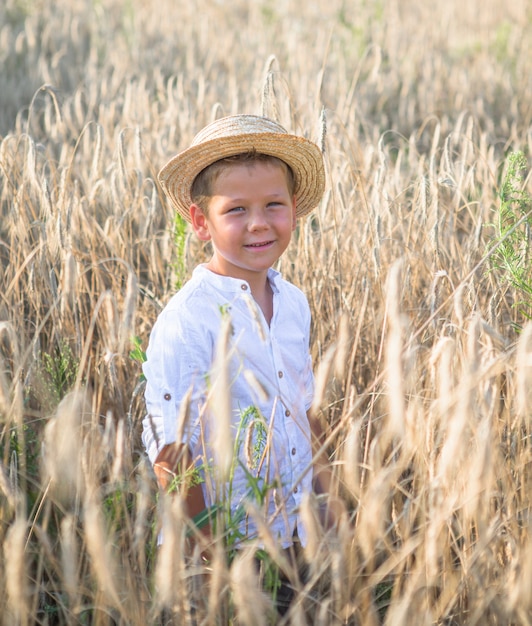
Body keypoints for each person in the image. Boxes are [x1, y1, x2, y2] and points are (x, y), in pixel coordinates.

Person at [141, 115, 338, 605]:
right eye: (236, 210)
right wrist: (210, 555)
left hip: (297, 535)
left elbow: (302, 409)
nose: (258, 223)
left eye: (274, 205)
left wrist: (332, 504)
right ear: (201, 222)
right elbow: (173, 452)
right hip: (229, 545)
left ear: (295, 210)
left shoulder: (294, 303)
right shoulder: (189, 320)